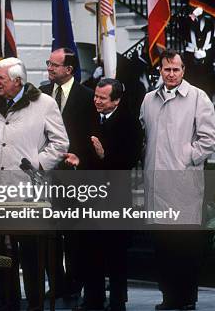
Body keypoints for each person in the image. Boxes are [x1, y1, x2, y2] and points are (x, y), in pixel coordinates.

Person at [0, 57, 69, 311]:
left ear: (18, 81)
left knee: (31, 253)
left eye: (1, 78)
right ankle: (8, 304)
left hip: (28, 190)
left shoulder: (44, 104)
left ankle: (34, 304)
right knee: (1, 254)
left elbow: (60, 143)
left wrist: (37, 164)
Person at [139, 49, 215, 310]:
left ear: (183, 71)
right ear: (159, 70)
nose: (171, 74)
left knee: (185, 244)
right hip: (155, 184)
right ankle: (168, 297)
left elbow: (208, 139)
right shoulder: (149, 99)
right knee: (163, 246)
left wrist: (185, 158)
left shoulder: (198, 98)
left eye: (176, 69)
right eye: (166, 69)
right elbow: (144, 134)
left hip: (183, 184)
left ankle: (186, 299)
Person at [67, 78, 143, 311]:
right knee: (90, 250)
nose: (96, 101)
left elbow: (128, 162)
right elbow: (81, 148)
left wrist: (103, 155)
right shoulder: (89, 117)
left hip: (115, 198)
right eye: (96, 96)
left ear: (116, 100)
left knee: (116, 253)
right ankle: (93, 299)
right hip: (90, 195)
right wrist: (79, 159)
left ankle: (118, 301)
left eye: (102, 98)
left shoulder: (130, 123)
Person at [40, 47, 97, 303]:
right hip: (46, 175)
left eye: (54, 65)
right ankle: (57, 283)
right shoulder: (41, 94)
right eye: (48, 64)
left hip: (75, 175)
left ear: (69, 69)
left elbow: (91, 133)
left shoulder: (87, 96)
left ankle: (76, 283)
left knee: (75, 235)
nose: (49, 68)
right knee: (48, 233)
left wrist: (80, 158)